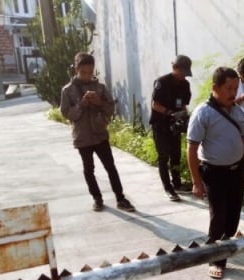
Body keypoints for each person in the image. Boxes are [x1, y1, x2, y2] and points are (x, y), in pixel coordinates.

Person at [186, 67, 244, 280]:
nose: (233, 93)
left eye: (235, 88)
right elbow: (191, 149)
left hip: (236, 172)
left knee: (233, 220)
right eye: (228, 88)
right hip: (214, 173)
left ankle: (213, 246)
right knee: (219, 217)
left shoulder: (237, 112)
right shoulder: (203, 113)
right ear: (215, 88)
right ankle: (216, 259)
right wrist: (196, 181)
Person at [60, 52, 135, 212]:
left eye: (90, 72)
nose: (87, 76)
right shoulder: (68, 90)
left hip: (100, 134)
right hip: (82, 137)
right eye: (83, 72)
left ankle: (120, 198)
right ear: (76, 69)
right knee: (89, 169)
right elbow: (67, 114)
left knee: (110, 167)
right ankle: (97, 198)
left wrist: (99, 102)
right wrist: (82, 104)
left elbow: (110, 108)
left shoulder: (100, 88)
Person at [150, 55, 193, 202]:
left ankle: (177, 184)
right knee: (164, 157)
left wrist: (184, 115)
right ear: (174, 68)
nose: (183, 77)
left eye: (185, 74)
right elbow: (154, 104)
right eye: (181, 73)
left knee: (176, 155)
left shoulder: (185, 85)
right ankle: (168, 188)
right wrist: (170, 113)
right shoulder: (161, 82)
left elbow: (183, 104)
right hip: (160, 125)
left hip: (174, 126)